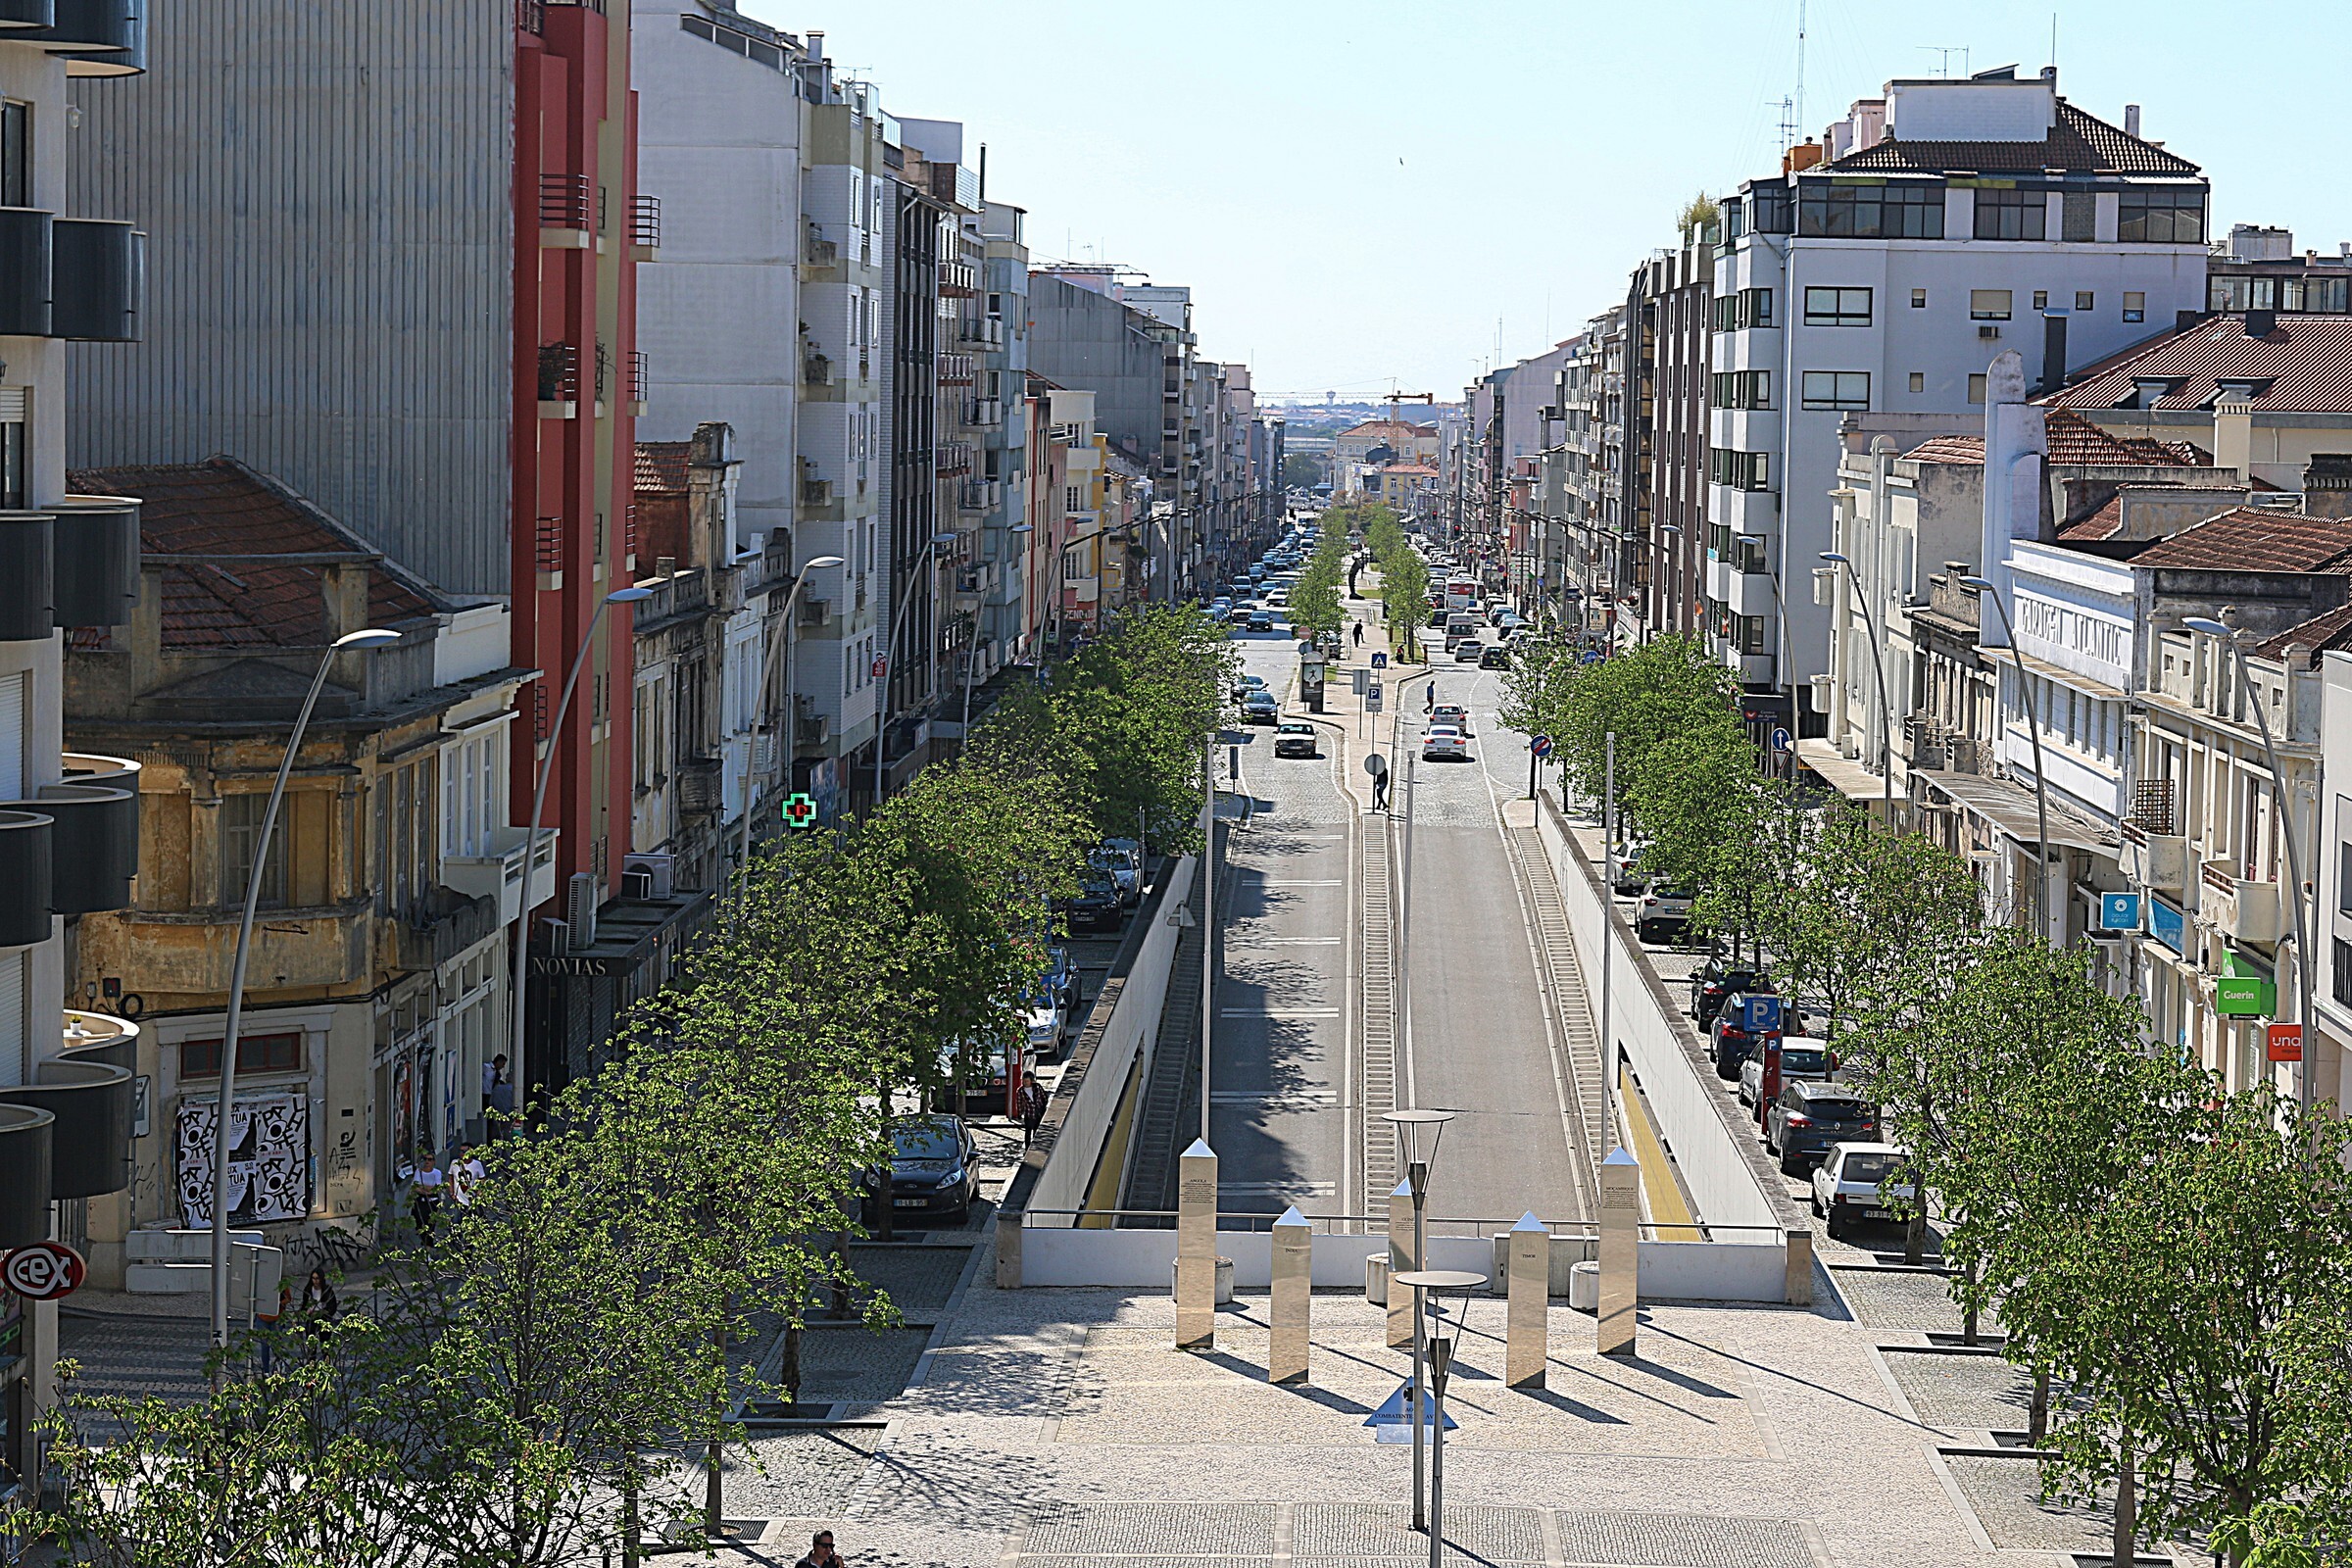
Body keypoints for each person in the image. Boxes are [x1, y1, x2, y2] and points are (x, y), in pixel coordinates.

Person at [412, 1152, 445, 1242]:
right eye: (425, 1159)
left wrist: (422, 1187)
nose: (427, 1161)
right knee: (419, 1223)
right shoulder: (418, 1172)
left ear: (433, 1162)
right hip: (420, 1201)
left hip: (432, 1202)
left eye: (429, 1159)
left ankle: (428, 1246)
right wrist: (427, 1189)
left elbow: (436, 1188)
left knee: (430, 1225)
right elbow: (415, 1187)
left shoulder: (437, 1173)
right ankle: (422, 1242)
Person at [1017, 1077, 1048, 1149]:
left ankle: (1036, 1146)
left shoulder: (1037, 1087)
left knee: (1036, 1130)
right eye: (1024, 1081)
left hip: (1038, 1113)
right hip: (1029, 1113)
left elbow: (1044, 1097)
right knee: (1028, 1131)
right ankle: (1027, 1147)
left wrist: (1042, 1107)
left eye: (1027, 1081)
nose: (1025, 1083)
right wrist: (1019, 1113)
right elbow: (1019, 1103)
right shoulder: (1021, 1091)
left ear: (1031, 1081)